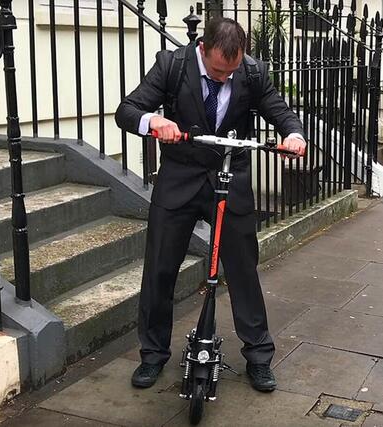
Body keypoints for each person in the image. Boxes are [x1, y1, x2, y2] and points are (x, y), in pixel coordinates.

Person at [114, 17, 306, 392]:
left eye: (230, 72)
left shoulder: (251, 72)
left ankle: (259, 357)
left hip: (230, 178)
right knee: (159, 270)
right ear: (203, 49)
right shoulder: (171, 65)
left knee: (243, 272)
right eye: (217, 70)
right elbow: (127, 110)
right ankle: (152, 356)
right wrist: (153, 121)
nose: (223, 78)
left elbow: (279, 111)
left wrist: (293, 135)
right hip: (179, 179)